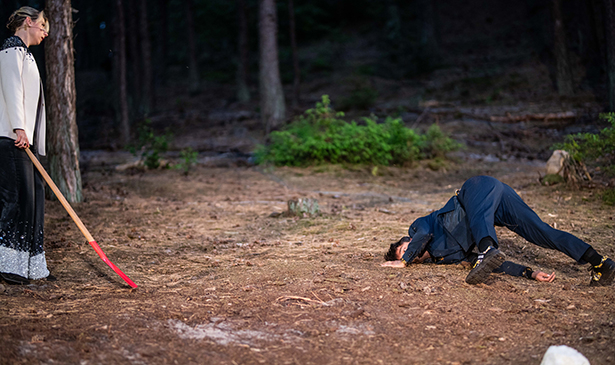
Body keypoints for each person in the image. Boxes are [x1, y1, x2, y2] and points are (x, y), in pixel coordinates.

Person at [381, 175, 615, 286]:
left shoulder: (419, 226)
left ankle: (488, 247)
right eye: (407, 254)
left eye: (405, 248)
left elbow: (422, 236)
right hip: (499, 201)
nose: (411, 252)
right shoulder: (446, 258)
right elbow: (490, 264)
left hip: (476, 188)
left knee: (478, 219)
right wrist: (529, 273)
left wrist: (404, 261)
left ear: (408, 240)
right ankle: (599, 263)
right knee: (542, 232)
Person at [0, 6, 52, 285]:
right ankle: (9, 265)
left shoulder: (26, 56)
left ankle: (32, 266)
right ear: (28, 22)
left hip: (26, 141)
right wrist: (19, 127)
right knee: (17, 200)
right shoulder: (11, 50)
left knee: (33, 201)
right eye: (42, 26)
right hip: (12, 138)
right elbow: (11, 89)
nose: (45, 32)